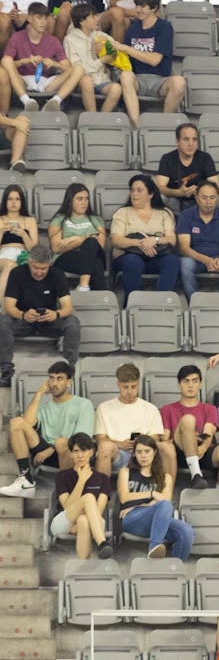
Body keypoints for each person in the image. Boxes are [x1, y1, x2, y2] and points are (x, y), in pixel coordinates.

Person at [0, 360, 90, 496]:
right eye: (52, 378)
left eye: (60, 379)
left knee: (61, 443)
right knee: (16, 422)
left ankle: (68, 490)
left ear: (69, 382)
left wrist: (52, 448)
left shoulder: (83, 404)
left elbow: (82, 438)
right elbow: (28, 423)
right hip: (45, 452)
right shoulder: (44, 407)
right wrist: (38, 395)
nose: (54, 383)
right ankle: (26, 480)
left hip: (71, 452)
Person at [0, 244, 79, 386]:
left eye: (44, 268)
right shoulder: (17, 273)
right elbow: (8, 306)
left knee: (73, 323)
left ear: (49, 264)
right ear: (29, 262)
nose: (39, 272)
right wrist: (23, 315)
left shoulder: (57, 274)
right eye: (36, 268)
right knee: (3, 322)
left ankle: (69, 368)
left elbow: (68, 307)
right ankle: (6, 369)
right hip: (23, 319)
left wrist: (56, 314)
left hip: (49, 320)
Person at [105, 0, 185, 113]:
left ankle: (166, 122)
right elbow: (125, 57)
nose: (138, 10)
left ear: (153, 8)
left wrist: (126, 48)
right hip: (137, 79)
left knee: (179, 82)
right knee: (125, 75)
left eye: (142, 6)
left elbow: (154, 60)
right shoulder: (133, 28)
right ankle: (135, 123)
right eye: (137, 5)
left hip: (160, 80)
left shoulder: (164, 27)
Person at [116, 433, 193, 559]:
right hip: (130, 517)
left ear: (155, 452)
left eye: (147, 451)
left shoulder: (166, 477)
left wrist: (142, 504)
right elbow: (124, 497)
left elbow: (165, 502)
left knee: (186, 531)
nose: (143, 455)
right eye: (139, 452)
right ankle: (154, 548)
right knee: (163, 505)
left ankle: (175, 570)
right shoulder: (126, 472)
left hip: (156, 519)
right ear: (134, 454)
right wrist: (152, 494)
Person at [2, 1, 81, 111]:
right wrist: (26, 61)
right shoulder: (17, 37)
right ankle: (27, 101)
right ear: (29, 18)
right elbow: (6, 64)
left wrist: (54, 64)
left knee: (78, 68)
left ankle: (55, 102)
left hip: (45, 82)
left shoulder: (53, 41)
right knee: (6, 60)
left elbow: (67, 68)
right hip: (22, 80)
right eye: (39, 18)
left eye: (45, 18)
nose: (43, 22)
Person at [111, 173, 179, 294]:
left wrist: (154, 240)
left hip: (157, 255)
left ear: (151, 194)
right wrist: (141, 243)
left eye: (139, 190)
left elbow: (171, 239)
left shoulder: (164, 213)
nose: (134, 194)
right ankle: (131, 303)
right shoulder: (123, 212)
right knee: (132, 261)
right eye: (132, 190)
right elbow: (116, 240)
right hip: (129, 255)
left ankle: (162, 302)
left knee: (172, 261)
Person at [92, 361, 163, 475]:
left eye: (133, 387)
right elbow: (100, 439)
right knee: (105, 447)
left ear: (138, 384)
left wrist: (140, 444)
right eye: (125, 387)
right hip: (117, 453)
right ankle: (102, 491)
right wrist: (120, 444)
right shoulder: (104, 408)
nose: (130, 392)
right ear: (118, 385)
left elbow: (155, 438)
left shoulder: (150, 409)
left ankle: (165, 489)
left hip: (143, 452)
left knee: (166, 448)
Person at [51, 432, 113, 559]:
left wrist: (78, 524)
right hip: (65, 520)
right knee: (89, 497)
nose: (80, 455)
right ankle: (102, 542)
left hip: (92, 520)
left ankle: (83, 566)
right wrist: (81, 481)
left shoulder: (103, 479)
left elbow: (99, 510)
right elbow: (67, 506)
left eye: (84, 451)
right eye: (75, 451)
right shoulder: (62, 476)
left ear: (91, 452)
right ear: (71, 453)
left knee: (83, 521)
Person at [65, 4, 130, 122]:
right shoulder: (70, 39)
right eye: (93, 17)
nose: (97, 19)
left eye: (96, 16)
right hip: (80, 81)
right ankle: (92, 117)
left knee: (116, 88)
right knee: (86, 81)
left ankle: (101, 120)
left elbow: (118, 51)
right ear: (82, 21)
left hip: (102, 79)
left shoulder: (101, 35)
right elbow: (77, 68)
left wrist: (108, 48)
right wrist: (101, 60)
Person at [176, 182, 219, 298]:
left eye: (212, 198)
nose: (208, 202)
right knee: (185, 264)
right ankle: (193, 301)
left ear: (217, 198)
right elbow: (184, 248)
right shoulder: (186, 215)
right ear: (196, 197)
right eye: (204, 198)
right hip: (196, 260)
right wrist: (206, 260)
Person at [161, 363, 219, 488]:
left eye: (195, 381)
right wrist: (187, 436)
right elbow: (165, 439)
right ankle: (196, 475)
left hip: (203, 450)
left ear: (200, 384)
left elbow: (209, 433)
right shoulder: (167, 409)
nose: (190, 385)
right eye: (186, 381)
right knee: (188, 420)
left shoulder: (210, 409)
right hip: (178, 451)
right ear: (179, 384)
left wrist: (202, 447)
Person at [48, 184, 107, 291]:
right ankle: (99, 302)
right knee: (96, 265)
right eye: (80, 199)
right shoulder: (59, 219)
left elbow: (100, 244)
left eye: (86, 199)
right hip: (66, 258)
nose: (84, 202)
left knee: (91, 245)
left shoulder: (96, 219)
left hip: (92, 254)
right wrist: (83, 239)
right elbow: (56, 247)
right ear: (70, 201)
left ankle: (83, 285)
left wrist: (74, 240)